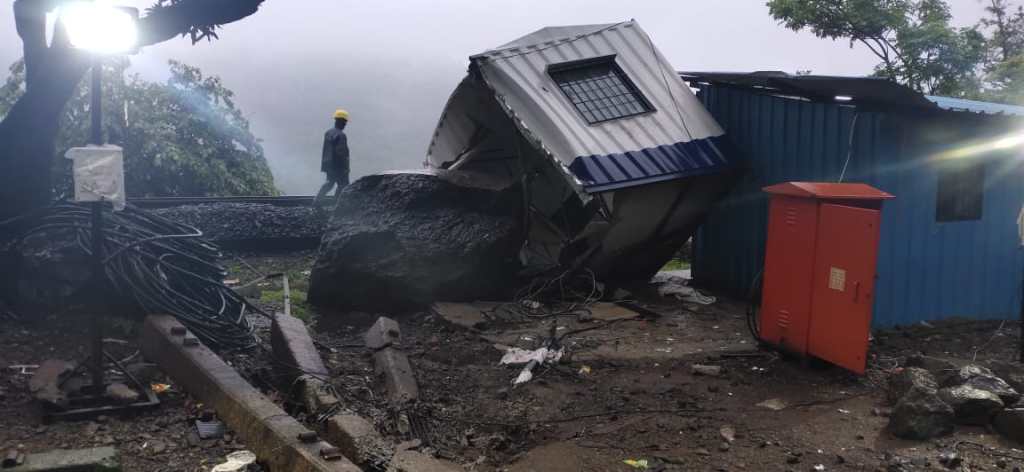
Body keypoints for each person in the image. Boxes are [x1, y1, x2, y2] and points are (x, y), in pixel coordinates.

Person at [315, 109, 350, 207]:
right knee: (343, 186)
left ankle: (317, 201)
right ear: (341, 122)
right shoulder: (341, 135)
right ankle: (336, 205)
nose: (345, 124)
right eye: (344, 122)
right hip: (339, 166)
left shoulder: (328, 132)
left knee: (330, 183)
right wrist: (346, 168)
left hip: (328, 165)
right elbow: (341, 153)